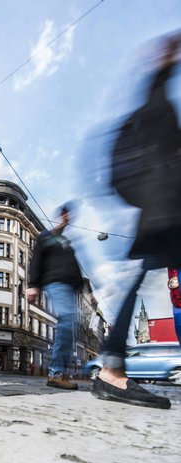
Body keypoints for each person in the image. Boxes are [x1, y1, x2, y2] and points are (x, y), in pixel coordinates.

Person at [92, 34, 181, 409]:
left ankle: (111, 366)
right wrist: (164, 65)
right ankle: (111, 368)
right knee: (138, 280)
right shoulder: (155, 109)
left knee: (140, 281)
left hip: (164, 211)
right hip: (165, 213)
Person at [27, 202, 83, 390]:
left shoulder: (67, 244)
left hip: (69, 286)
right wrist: (33, 285)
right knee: (66, 319)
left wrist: (85, 292)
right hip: (54, 282)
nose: (68, 218)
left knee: (70, 326)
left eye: (70, 216)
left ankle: (61, 373)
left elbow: (76, 268)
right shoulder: (46, 237)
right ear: (61, 216)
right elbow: (36, 260)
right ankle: (56, 373)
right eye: (65, 215)